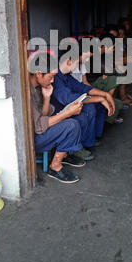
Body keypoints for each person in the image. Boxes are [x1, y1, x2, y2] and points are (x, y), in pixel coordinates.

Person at [28, 49, 86, 184]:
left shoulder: (37, 87)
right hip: (32, 140)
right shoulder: (28, 91)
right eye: (51, 76)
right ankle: (55, 166)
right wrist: (67, 113)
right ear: (38, 74)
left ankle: (64, 153)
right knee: (71, 124)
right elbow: (38, 127)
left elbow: (44, 114)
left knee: (75, 118)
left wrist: (47, 98)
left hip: (40, 131)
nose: (53, 80)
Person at [51, 48, 115, 160]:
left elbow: (83, 87)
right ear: (69, 61)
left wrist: (105, 95)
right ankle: (75, 149)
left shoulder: (66, 76)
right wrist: (100, 99)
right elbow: (70, 99)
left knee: (90, 107)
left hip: (69, 107)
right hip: (58, 112)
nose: (77, 67)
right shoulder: (56, 78)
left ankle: (86, 142)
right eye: (76, 63)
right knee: (83, 114)